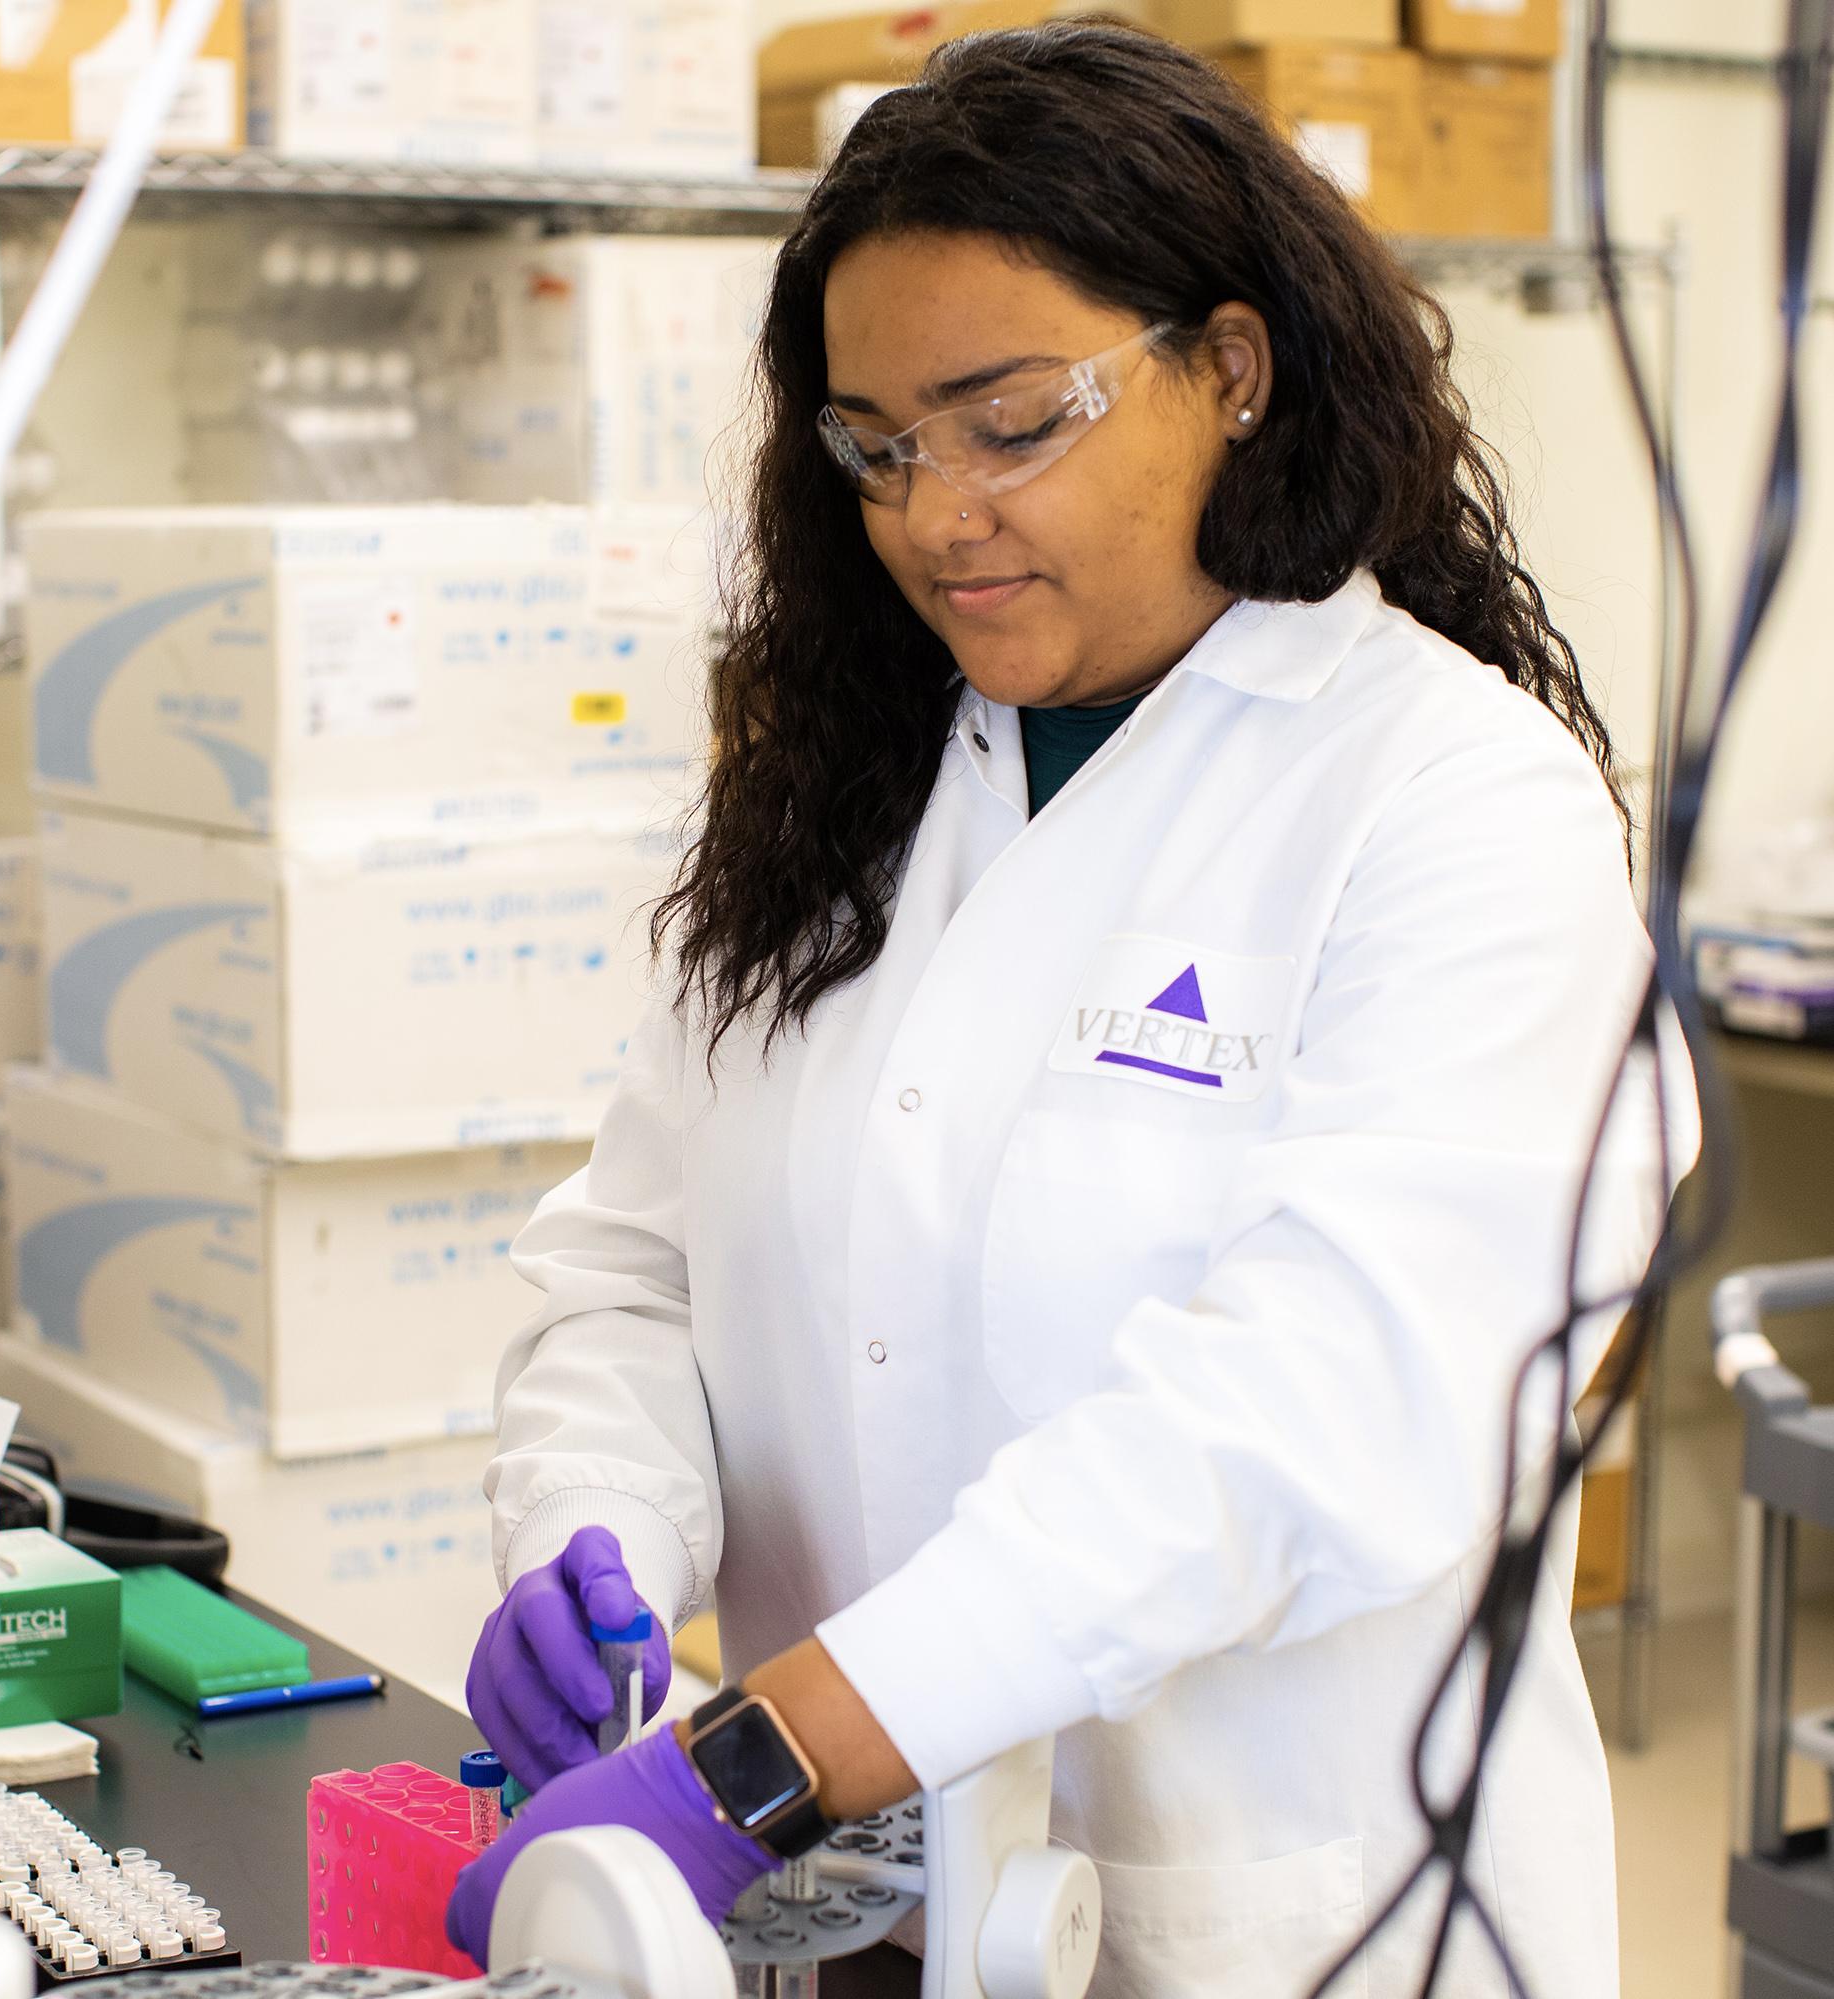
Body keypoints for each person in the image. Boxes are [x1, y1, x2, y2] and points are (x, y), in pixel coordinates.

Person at [448, 23, 1692, 1995]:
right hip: (849, 1912)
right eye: (874, 448)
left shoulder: (1449, 799)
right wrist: (585, 1537)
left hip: (1272, 1922)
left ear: (1228, 370)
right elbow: (637, 1274)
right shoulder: (841, 794)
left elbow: (1315, 1404)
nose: (936, 516)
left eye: (1010, 422)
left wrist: (773, 1753)